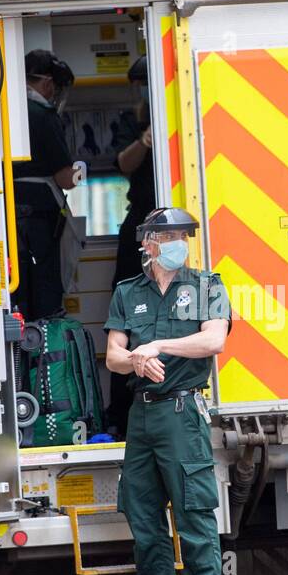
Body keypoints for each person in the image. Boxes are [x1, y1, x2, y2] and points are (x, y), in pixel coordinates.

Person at [103, 207, 230, 575]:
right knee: (143, 514)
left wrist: (157, 343)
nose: (179, 242)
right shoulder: (128, 292)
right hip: (143, 415)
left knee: (193, 514)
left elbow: (214, 339)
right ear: (149, 243)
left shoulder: (207, 286)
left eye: (183, 234)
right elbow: (113, 356)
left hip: (182, 413)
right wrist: (136, 358)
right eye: (169, 235)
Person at [104, 56, 156, 439]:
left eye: (145, 82)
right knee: (125, 313)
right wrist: (145, 140)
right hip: (137, 227)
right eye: (138, 84)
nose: (143, 91)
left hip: (171, 228)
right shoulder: (130, 121)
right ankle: (121, 417)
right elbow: (123, 163)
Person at [12, 48, 77, 321]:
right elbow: (65, 178)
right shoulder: (44, 114)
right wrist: (78, 174)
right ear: (48, 83)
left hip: (9, 209)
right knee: (46, 286)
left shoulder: (3, 107)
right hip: (40, 214)